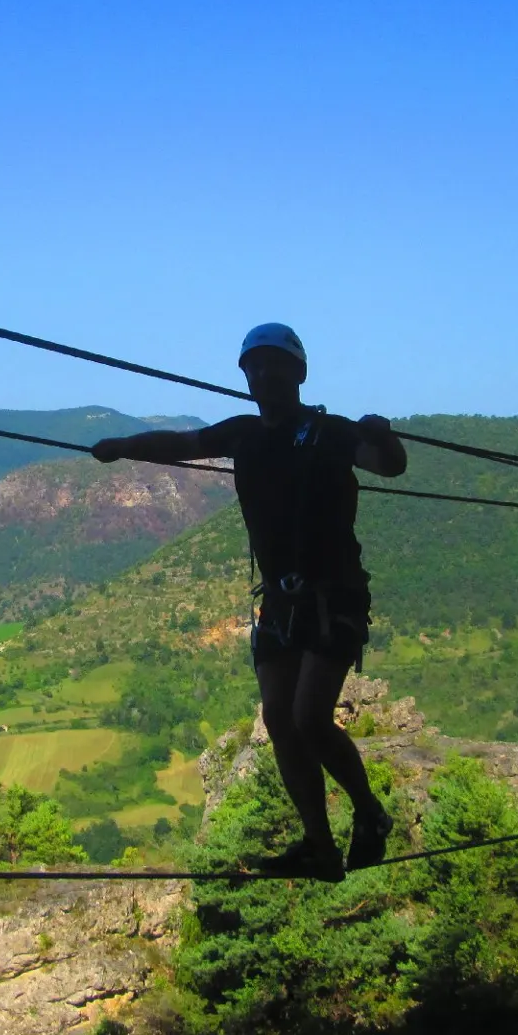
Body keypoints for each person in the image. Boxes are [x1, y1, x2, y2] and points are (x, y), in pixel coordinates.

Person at [91, 323, 406, 881]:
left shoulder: (330, 432)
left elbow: (388, 465)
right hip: (282, 605)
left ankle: (370, 813)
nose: (263, 375)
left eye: (274, 366)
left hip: (335, 596)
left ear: (298, 374)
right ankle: (318, 845)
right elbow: (183, 446)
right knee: (281, 720)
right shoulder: (243, 434)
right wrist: (122, 449)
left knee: (310, 717)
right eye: (254, 368)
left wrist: (382, 436)